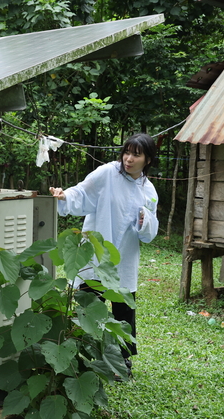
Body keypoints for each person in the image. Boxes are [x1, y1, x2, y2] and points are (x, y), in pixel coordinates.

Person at [49, 133, 159, 375]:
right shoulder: (107, 173)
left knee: (124, 311)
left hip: (125, 258)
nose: (128, 159)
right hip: (95, 254)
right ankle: (82, 356)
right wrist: (64, 195)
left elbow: (149, 232)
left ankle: (122, 361)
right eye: (126, 152)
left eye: (136, 155)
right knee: (88, 306)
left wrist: (145, 220)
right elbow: (82, 193)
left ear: (148, 160)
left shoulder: (149, 190)